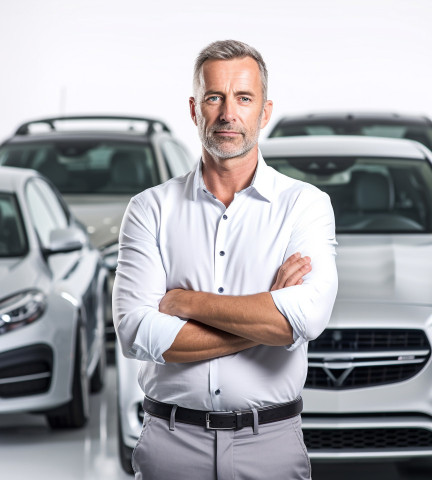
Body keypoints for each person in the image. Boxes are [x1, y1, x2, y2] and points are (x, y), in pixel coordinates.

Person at [113, 39, 338, 480]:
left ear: (265, 111)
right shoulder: (150, 209)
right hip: (170, 446)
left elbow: (303, 320)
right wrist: (265, 313)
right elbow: (137, 331)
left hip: (270, 446)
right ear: (195, 109)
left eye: (244, 98)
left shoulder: (304, 206)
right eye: (214, 97)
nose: (227, 113)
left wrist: (187, 302)